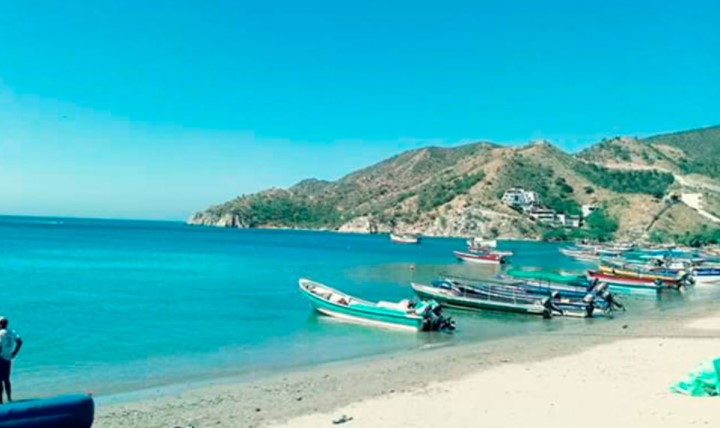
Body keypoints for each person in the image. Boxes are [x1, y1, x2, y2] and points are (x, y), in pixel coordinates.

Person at [0, 317, 23, 404]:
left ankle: (0, 401)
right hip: (8, 357)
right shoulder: (12, 332)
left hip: (0, 357)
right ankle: (9, 398)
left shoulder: (0, 333)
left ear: (1, 324)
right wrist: (14, 353)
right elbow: (20, 342)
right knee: (6, 379)